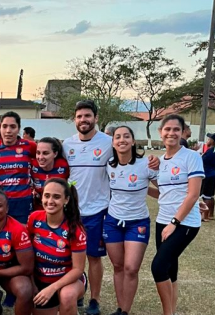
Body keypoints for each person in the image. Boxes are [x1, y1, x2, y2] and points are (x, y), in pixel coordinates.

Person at [61, 100, 116, 315]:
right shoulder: (67, 144)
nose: (83, 120)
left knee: (94, 257)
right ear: (75, 120)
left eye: (87, 116)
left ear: (96, 118)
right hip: (72, 211)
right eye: (79, 116)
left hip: (98, 210)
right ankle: (78, 294)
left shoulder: (109, 142)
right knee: (69, 256)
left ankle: (94, 299)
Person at [149, 114, 203, 315]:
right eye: (167, 129)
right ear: (160, 132)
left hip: (184, 223)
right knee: (170, 269)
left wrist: (174, 222)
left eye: (176, 129)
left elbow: (193, 194)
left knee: (158, 267)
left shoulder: (192, 157)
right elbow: (163, 193)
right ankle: (171, 311)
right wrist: (142, 187)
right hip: (162, 220)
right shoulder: (161, 161)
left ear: (183, 132)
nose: (171, 133)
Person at [104, 126, 157, 315]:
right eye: (117, 137)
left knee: (131, 268)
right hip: (112, 221)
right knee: (118, 267)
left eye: (127, 136)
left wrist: (145, 189)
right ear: (113, 142)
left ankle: (125, 311)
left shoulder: (146, 164)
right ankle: (121, 309)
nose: (122, 140)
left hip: (138, 222)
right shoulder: (108, 164)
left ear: (133, 141)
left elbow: (164, 191)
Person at [28, 178, 87, 315]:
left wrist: (53, 288)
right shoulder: (34, 218)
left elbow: (78, 269)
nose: (50, 201)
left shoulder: (75, 229)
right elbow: (28, 256)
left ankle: (70, 306)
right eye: (46, 196)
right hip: (40, 280)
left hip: (68, 281)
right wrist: (32, 283)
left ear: (66, 200)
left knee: (67, 296)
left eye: (56, 197)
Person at [0, 111, 36, 224]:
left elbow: (46, 157)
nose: (8, 131)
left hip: (22, 202)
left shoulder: (30, 146)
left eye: (12, 126)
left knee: (21, 236)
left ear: (19, 129)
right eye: (4, 126)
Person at [31, 137, 69, 210]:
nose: (40, 157)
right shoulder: (32, 165)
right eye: (38, 153)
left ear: (55, 154)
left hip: (58, 210)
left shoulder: (63, 166)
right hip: (38, 209)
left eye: (45, 153)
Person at [200, 132, 215, 221]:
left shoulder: (212, 150)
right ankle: (211, 214)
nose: (207, 140)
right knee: (210, 196)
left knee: (206, 196)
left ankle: (205, 216)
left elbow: (203, 160)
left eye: (209, 139)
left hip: (208, 174)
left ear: (213, 140)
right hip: (212, 173)